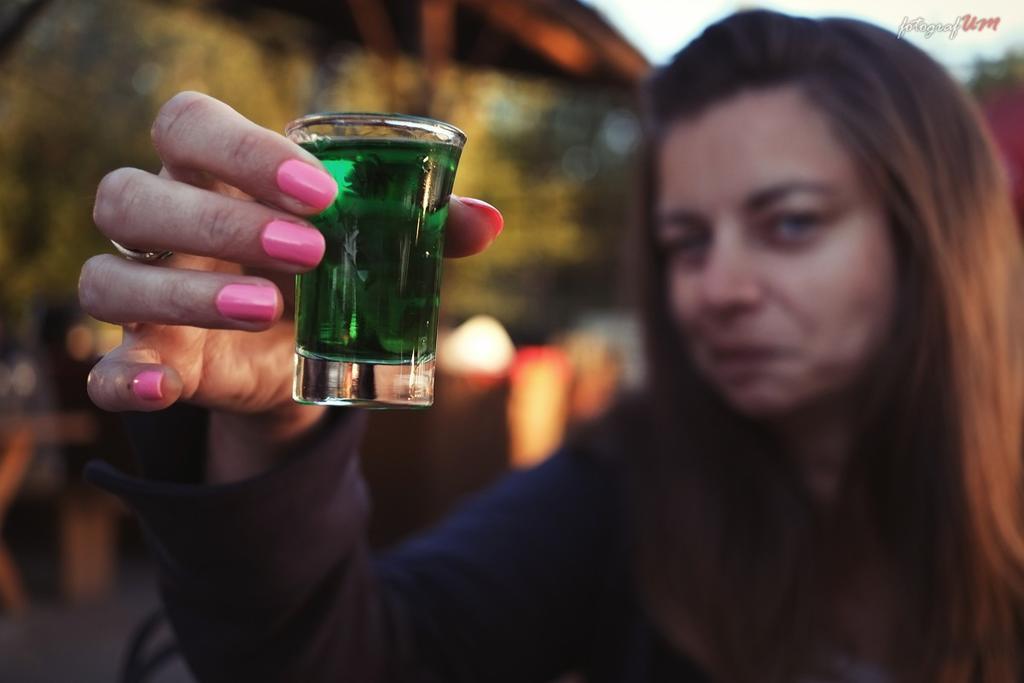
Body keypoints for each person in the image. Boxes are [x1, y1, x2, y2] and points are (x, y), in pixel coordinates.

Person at [77, 9, 1024, 683]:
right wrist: (274, 426)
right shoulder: (627, 487)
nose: (717, 287)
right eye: (684, 240)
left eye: (789, 224)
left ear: (935, 235)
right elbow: (367, 657)